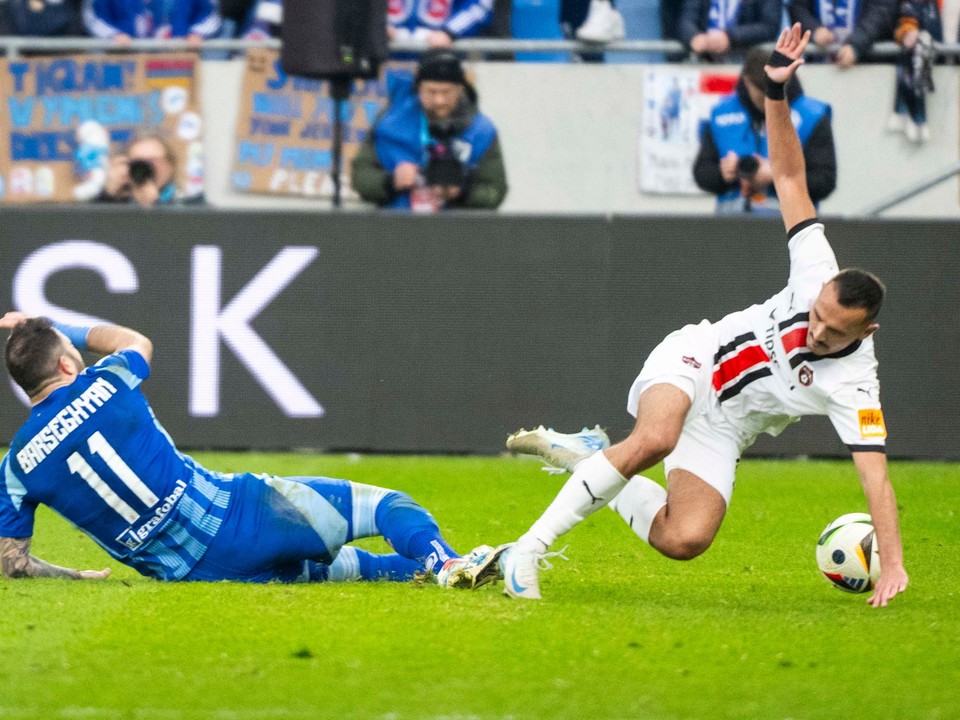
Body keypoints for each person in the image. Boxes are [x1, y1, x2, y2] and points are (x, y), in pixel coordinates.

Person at [499, 24, 909, 609]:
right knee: (656, 437)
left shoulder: (857, 385)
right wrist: (775, 93)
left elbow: (876, 476)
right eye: (815, 316)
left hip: (726, 427)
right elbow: (790, 177)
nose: (815, 332)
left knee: (685, 538)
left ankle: (591, 459)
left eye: (832, 331)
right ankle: (528, 551)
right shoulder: (817, 265)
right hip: (698, 358)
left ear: (865, 333)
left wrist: (892, 563)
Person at [0, 313, 505, 589]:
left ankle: (440, 571)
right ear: (69, 365)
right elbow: (134, 339)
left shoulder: (17, 466)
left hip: (197, 577)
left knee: (359, 570)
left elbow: (12, 562)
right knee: (387, 507)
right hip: (240, 517)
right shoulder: (109, 378)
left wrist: (77, 577)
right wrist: (56, 327)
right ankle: (448, 565)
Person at [351, 50, 508, 211]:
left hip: (457, 230)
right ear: (418, 88)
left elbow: (496, 192)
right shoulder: (388, 122)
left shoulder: (482, 131)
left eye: (447, 92)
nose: (439, 100)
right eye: (431, 92)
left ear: (460, 89)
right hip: (397, 227)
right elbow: (360, 177)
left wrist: (463, 191)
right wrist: (391, 181)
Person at [693, 46, 836, 215]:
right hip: (732, 224)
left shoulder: (812, 116)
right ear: (746, 82)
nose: (769, 104)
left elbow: (824, 181)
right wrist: (724, 174)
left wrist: (779, 175)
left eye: (775, 95)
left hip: (793, 224)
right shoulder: (721, 113)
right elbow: (702, 173)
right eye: (763, 98)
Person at [95, 130, 200, 208]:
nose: (145, 167)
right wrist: (108, 196)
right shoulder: (120, 202)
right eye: (138, 162)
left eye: (152, 161)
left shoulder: (189, 203)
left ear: (171, 166)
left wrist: (154, 206)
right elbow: (90, 231)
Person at [787, 0, 897, 68]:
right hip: (818, 67)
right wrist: (813, 30)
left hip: (869, 66)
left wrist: (856, 45)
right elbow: (798, 7)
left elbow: (882, 12)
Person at [82, 0, 222, 47]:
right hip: (126, 63)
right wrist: (113, 34)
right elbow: (93, 15)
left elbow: (210, 13)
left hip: (178, 61)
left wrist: (197, 33)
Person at [679, 0, 781, 60]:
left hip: (745, 61)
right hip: (704, 59)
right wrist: (694, 37)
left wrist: (729, 37)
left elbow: (769, 27)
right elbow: (686, 20)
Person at [387, 0, 494, 49]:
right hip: (387, 58)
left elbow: (480, 5)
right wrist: (378, 26)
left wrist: (450, 31)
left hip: (443, 59)